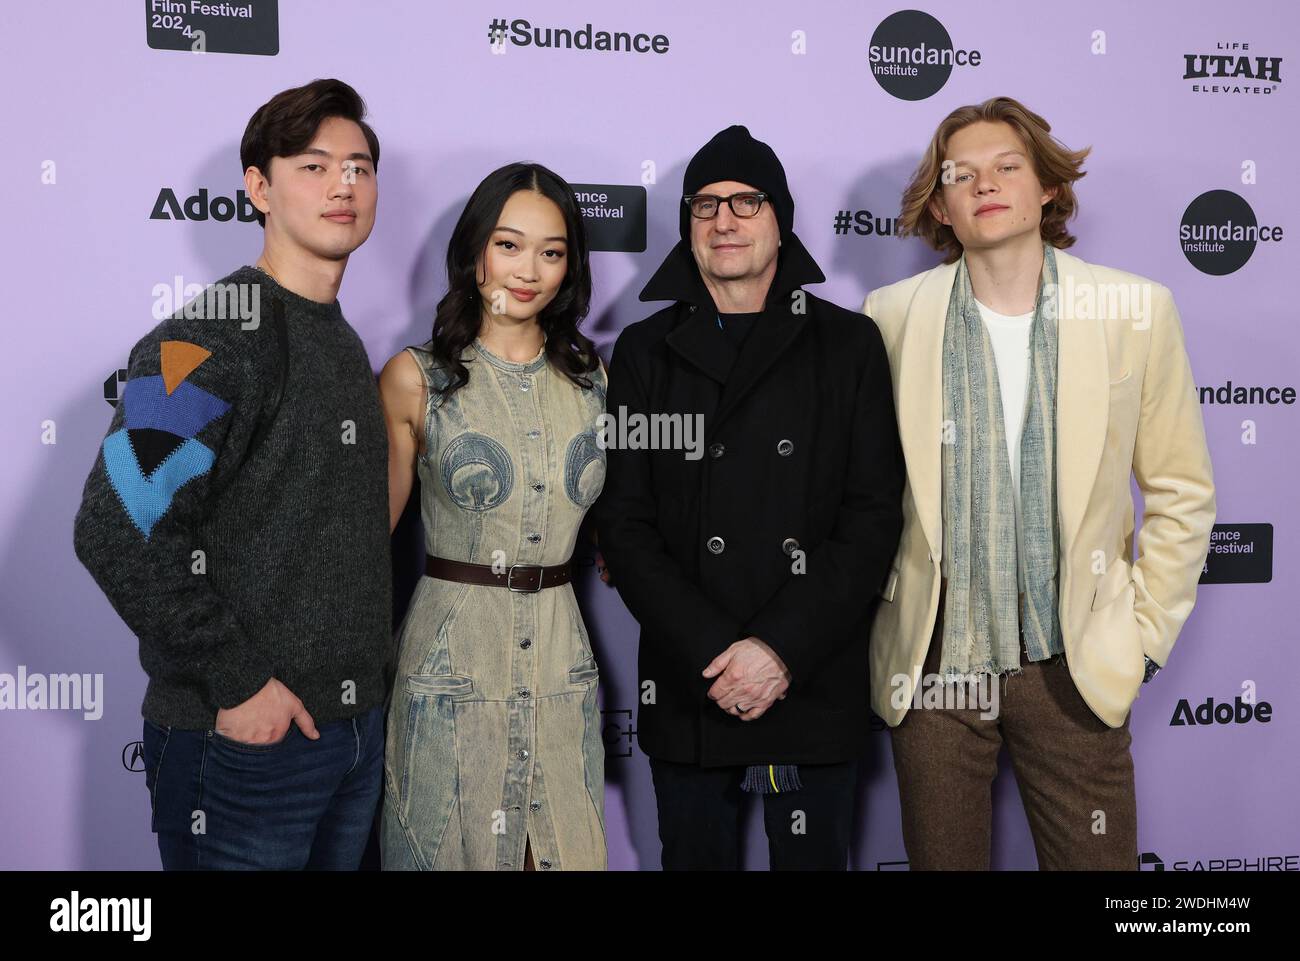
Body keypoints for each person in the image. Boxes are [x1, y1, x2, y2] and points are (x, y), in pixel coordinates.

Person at [865, 96, 1216, 870]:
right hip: (934, 670)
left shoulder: (1135, 311)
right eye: (962, 174)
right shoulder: (889, 318)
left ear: (1048, 188)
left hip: (1074, 668)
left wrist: (1142, 639)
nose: (985, 184)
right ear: (942, 204)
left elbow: (1182, 492)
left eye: (1008, 167)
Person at [72, 79, 390, 870]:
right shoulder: (209, 334)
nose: (344, 184)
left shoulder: (340, 340)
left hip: (349, 740)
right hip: (247, 747)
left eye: (358, 166)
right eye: (314, 166)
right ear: (259, 188)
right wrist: (240, 682)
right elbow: (118, 523)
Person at [596, 126, 905, 870]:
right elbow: (627, 526)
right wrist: (716, 650)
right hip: (690, 675)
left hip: (808, 675)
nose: (724, 220)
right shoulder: (644, 350)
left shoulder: (849, 344)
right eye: (704, 205)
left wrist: (776, 650)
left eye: (745, 201)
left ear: (780, 219)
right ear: (686, 226)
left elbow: (870, 519)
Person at [378, 163, 608, 871]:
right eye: (509, 245)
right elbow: (359, 549)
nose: (529, 269)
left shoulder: (594, 380)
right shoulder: (416, 378)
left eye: (552, 250)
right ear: (475, 250)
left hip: (561, 661)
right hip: (453, 658)